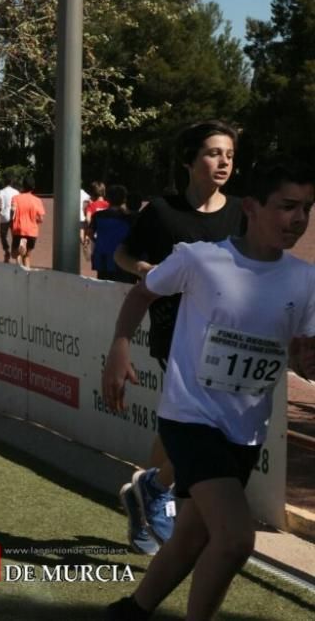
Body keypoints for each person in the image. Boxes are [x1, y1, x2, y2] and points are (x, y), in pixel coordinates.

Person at [103, 157, 315, 621]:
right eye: (287, 206)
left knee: (192, 537)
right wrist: (120, 348)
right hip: (190, 419)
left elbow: (306, 353)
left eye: (307, 208)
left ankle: (130, 610)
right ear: (252, 207)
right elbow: (142, 292)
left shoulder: (305, 279)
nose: (298, 219)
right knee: (237, 538)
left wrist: (306, 361)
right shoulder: (200, 258)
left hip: (245, 431)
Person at [113, 120, 244, 556]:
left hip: (231, 340)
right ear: (189, 161)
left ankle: (148, 491)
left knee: (186, 430)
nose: (223, 161)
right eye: (212, 153)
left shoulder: (243, 213)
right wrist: (144, 271)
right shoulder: (162, 213)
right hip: (177, 336)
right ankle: (157, 493)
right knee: (197, 429)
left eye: (228, 153)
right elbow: (123, 254)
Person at [89, 185, 136, 283]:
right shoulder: (130, 218)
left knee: (103, 287)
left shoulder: (97, 216)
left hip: (103, 258)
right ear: (124, 199)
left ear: (107, 198)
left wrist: (97, 241)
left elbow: (90, 233)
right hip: (123, 258)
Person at [9, 174, 45, 269]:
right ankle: (28, 274)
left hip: (18, 229)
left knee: (14, 255)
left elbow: (12, 211)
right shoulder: (37, 201)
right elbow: (41, 219)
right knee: (27, 257)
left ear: (23, 185)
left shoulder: (16, 198)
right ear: (33, 187)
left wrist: (11, 221)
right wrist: (33, 219)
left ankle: (20, 252)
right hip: (32, 232)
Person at [0, 171, 19, 263]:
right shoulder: (16, 192)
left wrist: (0, 212)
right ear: (12, 181)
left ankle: (6, 251)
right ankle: (16, 253)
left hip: (4, 216)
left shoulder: (0, 192)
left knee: (3, 236)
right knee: (15, 236)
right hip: (14, 216)